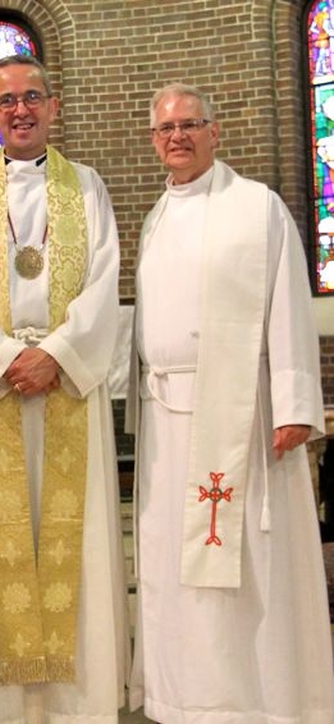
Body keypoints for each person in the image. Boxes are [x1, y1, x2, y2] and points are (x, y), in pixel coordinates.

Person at [0, 55, 129, 723]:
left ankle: (82, 706)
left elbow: (105, 283)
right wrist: (7, 358)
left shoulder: (88, 187)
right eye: (5, 101)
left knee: (83, 548)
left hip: (69, 388)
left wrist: (60, 354)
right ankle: (2, 711)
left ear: (54, 105)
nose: (20, 110)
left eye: (31, 97)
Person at [127, 82, 334, 723]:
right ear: (154, 141)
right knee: (174, 572)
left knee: (246, 569)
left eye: (191, 124)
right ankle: (187, 700)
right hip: (167, 418)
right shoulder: (155, 216)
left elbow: (287, 298)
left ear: (215, 133)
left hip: (240, 416)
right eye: (166, 129)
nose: (178, 137)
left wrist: (294, 402)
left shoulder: (256, 207)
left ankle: (259, 703)